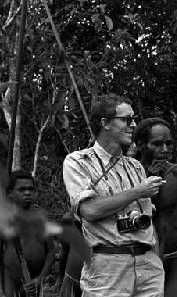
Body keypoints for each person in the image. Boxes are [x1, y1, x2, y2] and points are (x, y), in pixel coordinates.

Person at [62, 93, 165, 296]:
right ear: (105, 123)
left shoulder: (135, 166)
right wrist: (138, 191)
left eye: (133, 119)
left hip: (148, 265)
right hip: (107, 267)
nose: (134, 125)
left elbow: (149, 222)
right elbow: (89, 210)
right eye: (127, 119)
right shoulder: (78, 162)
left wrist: (156, 261)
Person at [132, 118, 177, 297]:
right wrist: (150, 180)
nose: (165, 150)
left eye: (169, 144)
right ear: (141, 145)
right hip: (139, 262)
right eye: (157, 144)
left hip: (174, 259)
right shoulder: (128, 176)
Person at [1, 170, 55, 297]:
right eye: (22, 189)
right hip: (11, 282)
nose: (27, 193)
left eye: (31, 189)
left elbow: (51, 252)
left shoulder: (42, 216)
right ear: (10, 193)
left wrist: (39, 279)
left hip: (35, 283)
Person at [57, 212, 83, 297]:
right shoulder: (69, 220)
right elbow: (64, 251)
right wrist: (61, 278)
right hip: (72, 276)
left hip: (96, 277)